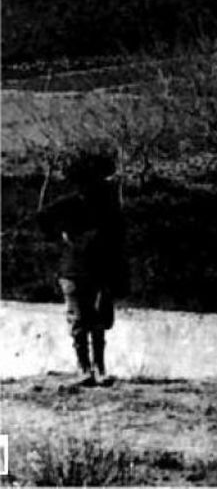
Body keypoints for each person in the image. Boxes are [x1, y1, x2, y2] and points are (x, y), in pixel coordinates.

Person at [39, 150, 128, 388]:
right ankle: (84, 368)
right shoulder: (69, 204)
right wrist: (62, 236)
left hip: (100, 269)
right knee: (80, 321)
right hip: (73, 269)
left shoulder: (110, 208)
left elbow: (119, 241)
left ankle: (99, 368)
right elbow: (42, 219)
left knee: (98, 321)